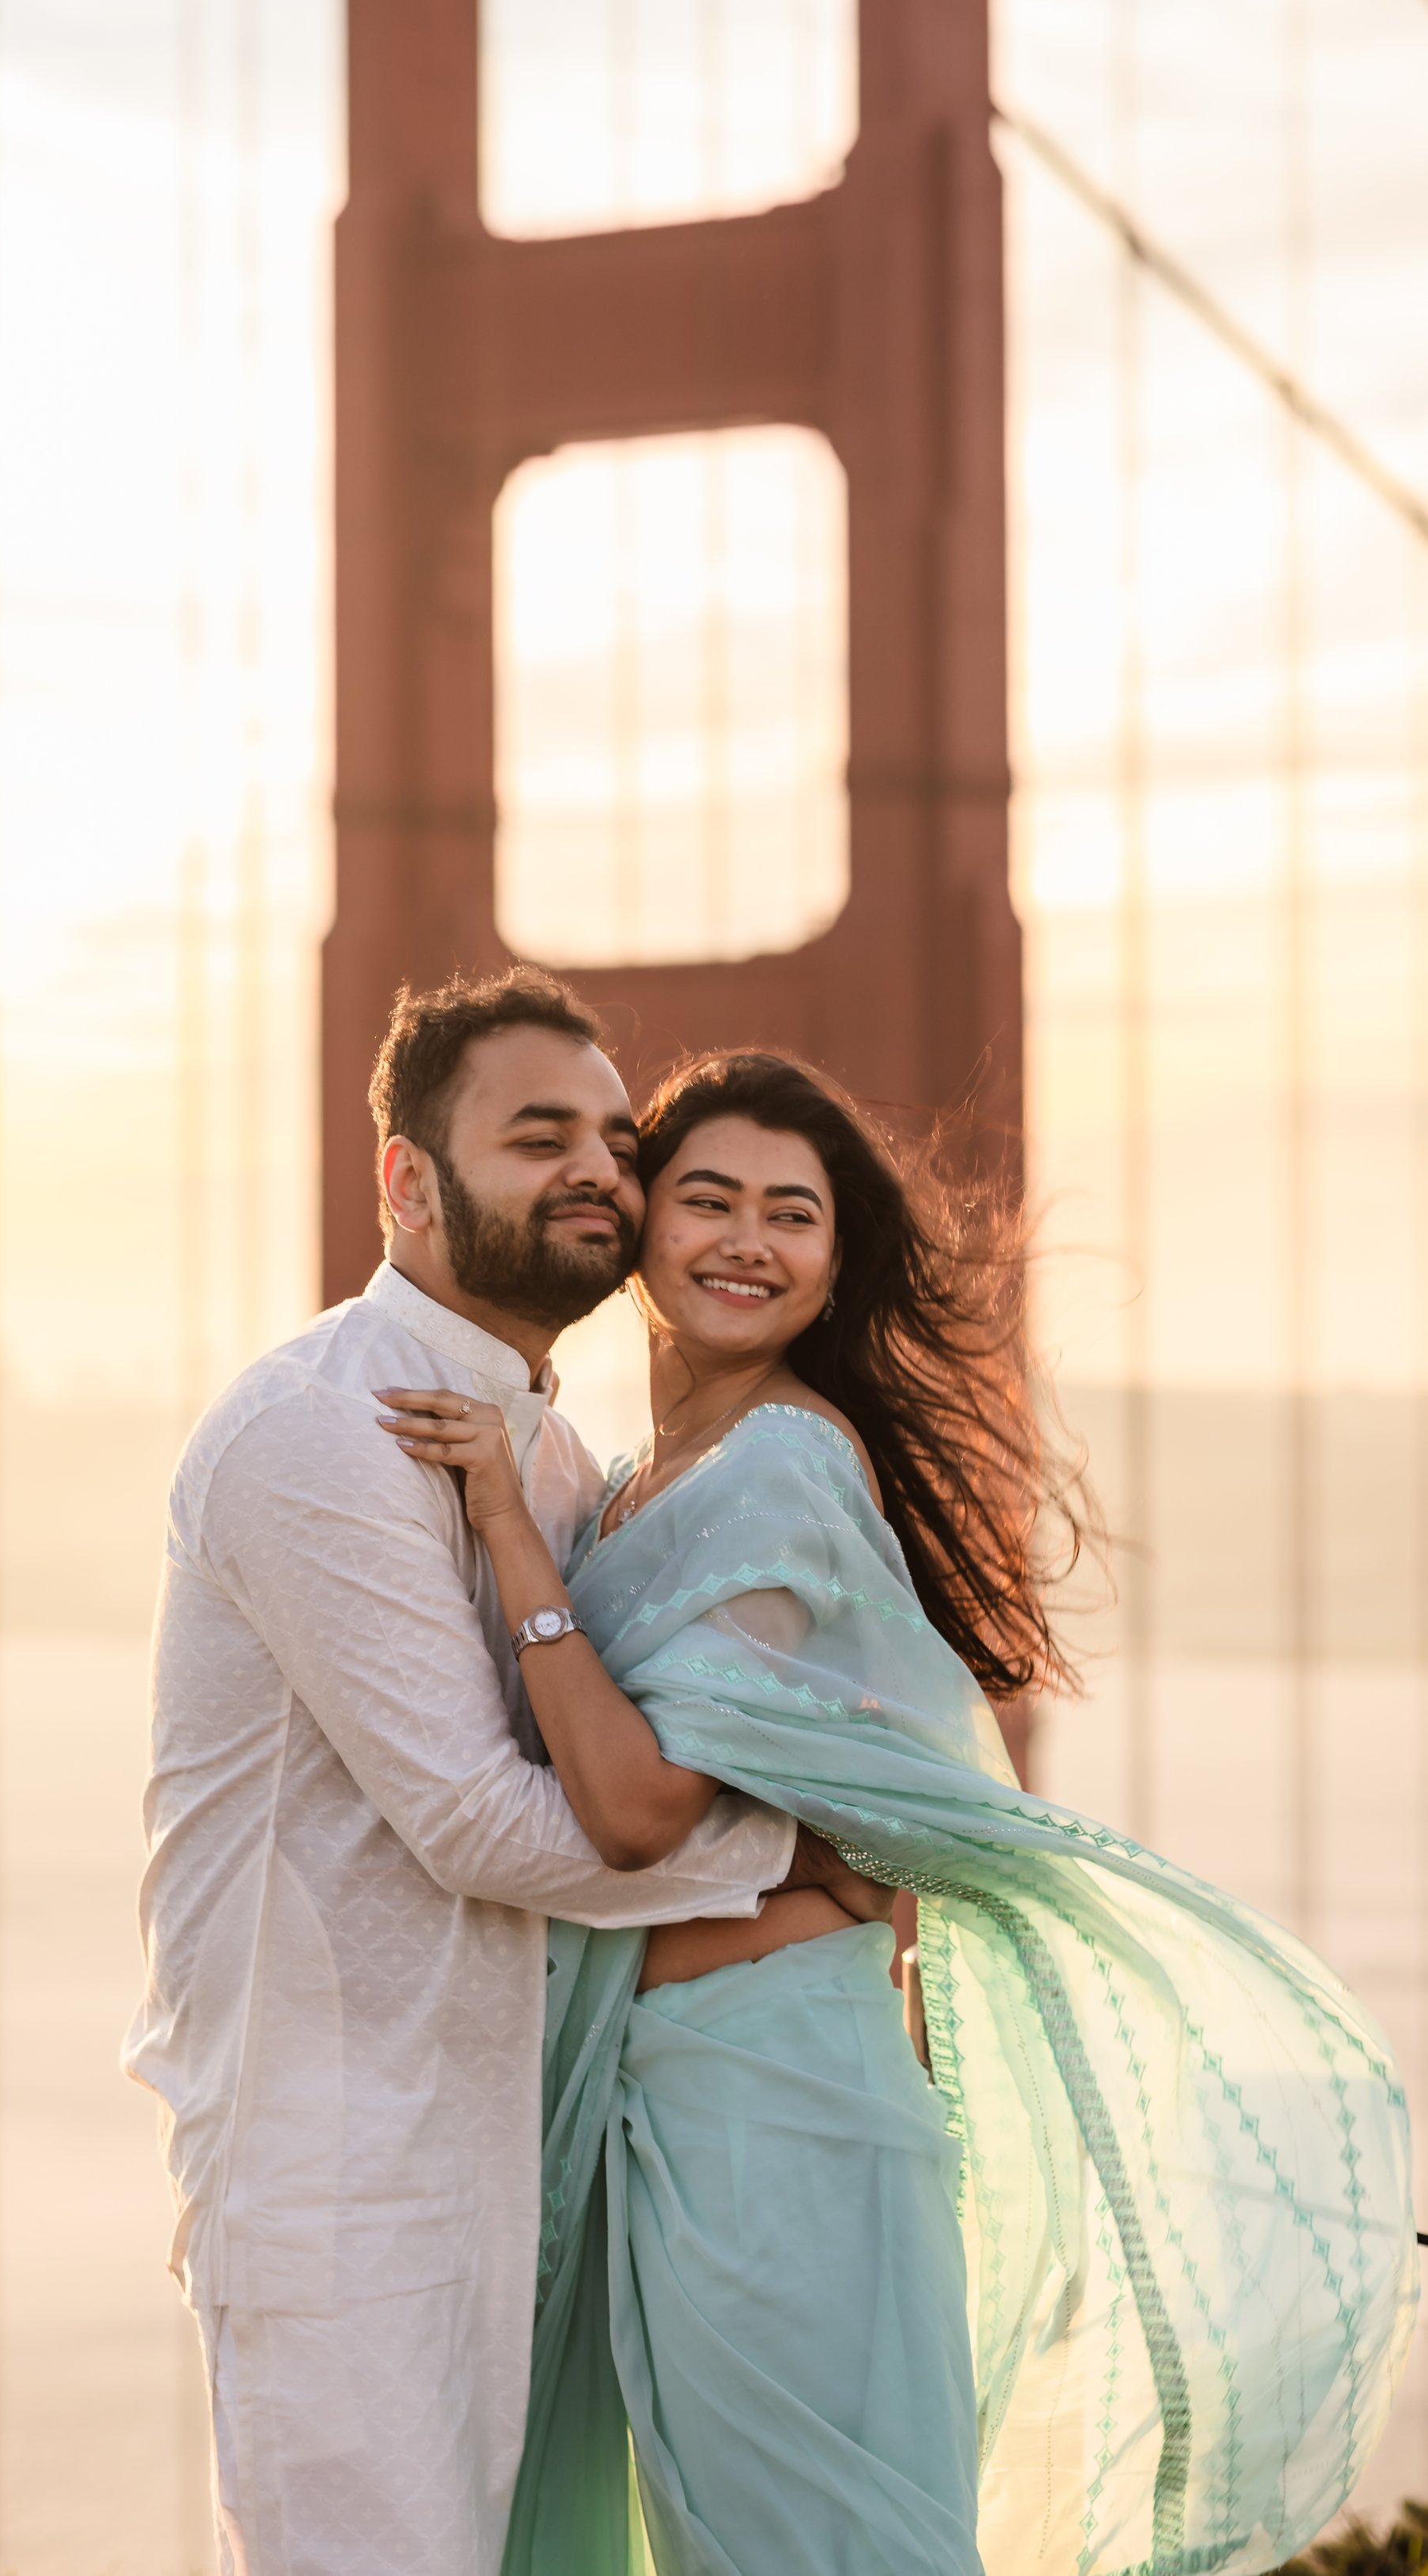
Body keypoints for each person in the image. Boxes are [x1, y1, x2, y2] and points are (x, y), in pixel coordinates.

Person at [381, 1048, 1418, 2576]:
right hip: (684, 2091)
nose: (746, 1240)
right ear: (640, 1232)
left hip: (774, 2096)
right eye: (708, 1200)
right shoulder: (640, 1483)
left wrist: (502, 1544)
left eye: (791, 1217)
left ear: (835, 1259)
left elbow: (633, 1807)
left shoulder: (783, 1466)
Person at [124, 975, 874, 2576]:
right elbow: (475, 1816)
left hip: (507, 2148)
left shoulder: (545, 1456)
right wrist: (789, 1863)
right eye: (539, 1136)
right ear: (404, 1179)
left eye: (616, 1136)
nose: (599, 1169)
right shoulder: (320, 1431)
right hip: (341, 2174)